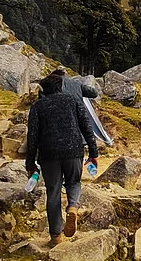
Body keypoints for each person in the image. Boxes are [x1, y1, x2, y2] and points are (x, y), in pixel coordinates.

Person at [25, 73, 98, 247]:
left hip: (49, 154)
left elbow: (32, 137)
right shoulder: (73, 101)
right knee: (73, 182)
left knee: (54, 191)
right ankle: (72, 206)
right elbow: (87, 128)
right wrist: (93, 153)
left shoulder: (37, 106)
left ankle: (56, 236)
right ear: (61, 86)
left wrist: (30, 164)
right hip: (74, 150)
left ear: (44, 90)